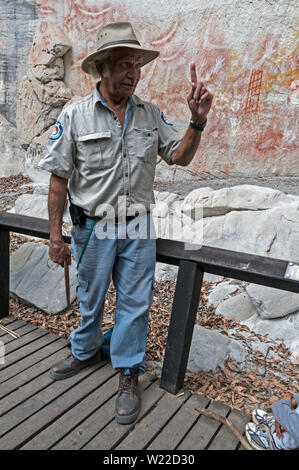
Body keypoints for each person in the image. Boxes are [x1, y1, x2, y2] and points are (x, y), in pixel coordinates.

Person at [38, 22, 213, 425]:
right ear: (102, 67)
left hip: (137, 227)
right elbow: (58, 181)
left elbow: (180, 156)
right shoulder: (76, 115)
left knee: (135, 304)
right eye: (124, 64)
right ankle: (84, 351)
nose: (133, 73)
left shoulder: (151, 114)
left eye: (137, 64)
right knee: (91, 296)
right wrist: (54, 237)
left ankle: (128, 371)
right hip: (92, 227)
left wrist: (197, 122)